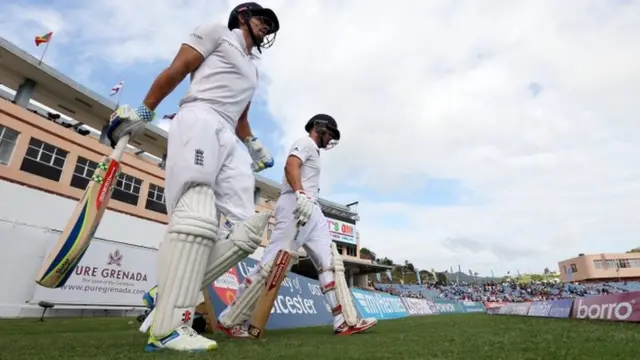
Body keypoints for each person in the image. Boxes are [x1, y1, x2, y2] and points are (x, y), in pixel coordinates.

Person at [105, 2, 280, 353]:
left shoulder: (253, 68)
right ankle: (169, 327)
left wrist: (254, 144)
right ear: (243, 16)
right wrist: (145, 110)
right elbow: (178, 68)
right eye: (263, 19)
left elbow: (241, 114)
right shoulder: (216, 31)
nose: (267, 27)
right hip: (199, 116)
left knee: (247, 232)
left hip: (229, 135)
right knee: (198, 216)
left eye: (271, 24)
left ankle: (163, 294)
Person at [216, 114, 378, 337]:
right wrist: (300, 193)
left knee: (331, 262)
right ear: (318, 128)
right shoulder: (305, 143)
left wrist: (307, 198)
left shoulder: (315, 151)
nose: (330, 138)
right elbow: (290, 165)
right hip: (295, 205)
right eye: (329, 132)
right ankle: (230, 319)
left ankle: (344, 320)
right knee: (272, 265)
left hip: (312, 208)